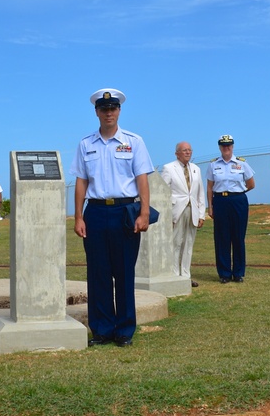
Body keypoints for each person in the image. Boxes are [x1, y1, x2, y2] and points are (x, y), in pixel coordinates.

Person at [71, 88, 154, 347]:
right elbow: (81, 182)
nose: (109, 113)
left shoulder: (134, 142)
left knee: (124, 272)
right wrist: (78, 217)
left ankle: (124, 330)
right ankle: (102, 329)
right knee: (98, 274)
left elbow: (142, 179)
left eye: (113, 108)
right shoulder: (86, 144)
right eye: (104, 109)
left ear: (119, 111)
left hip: (125, 212)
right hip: (94, 212)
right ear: (96, 112)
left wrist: (144, 212)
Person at [206, 135, 256, 284]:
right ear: (219, 147)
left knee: (238, 237)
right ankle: (224, 274)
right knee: (222, 238)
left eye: (229, 145)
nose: (226, 148)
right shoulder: (213, 165)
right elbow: (209, 187)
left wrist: (238, 193)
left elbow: (251, 184)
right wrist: (210, 206)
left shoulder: (242, 163)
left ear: (233, 146)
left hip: (238, 201)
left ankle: (238, 273)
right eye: (223, 145)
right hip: (220, 201)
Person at [160, 142, 206, 288]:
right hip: (176, 211)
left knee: (188, 244)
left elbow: (200, 193)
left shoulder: (196, 169)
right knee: (176, 243)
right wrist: (167, 214)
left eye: (189, 150)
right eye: (184, 150)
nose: (187, 153)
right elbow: (163, 193)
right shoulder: (168, 168)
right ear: (177, 153)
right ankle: (173, 275)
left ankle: (185, 276)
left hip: (192, 211)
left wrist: (201, 214)